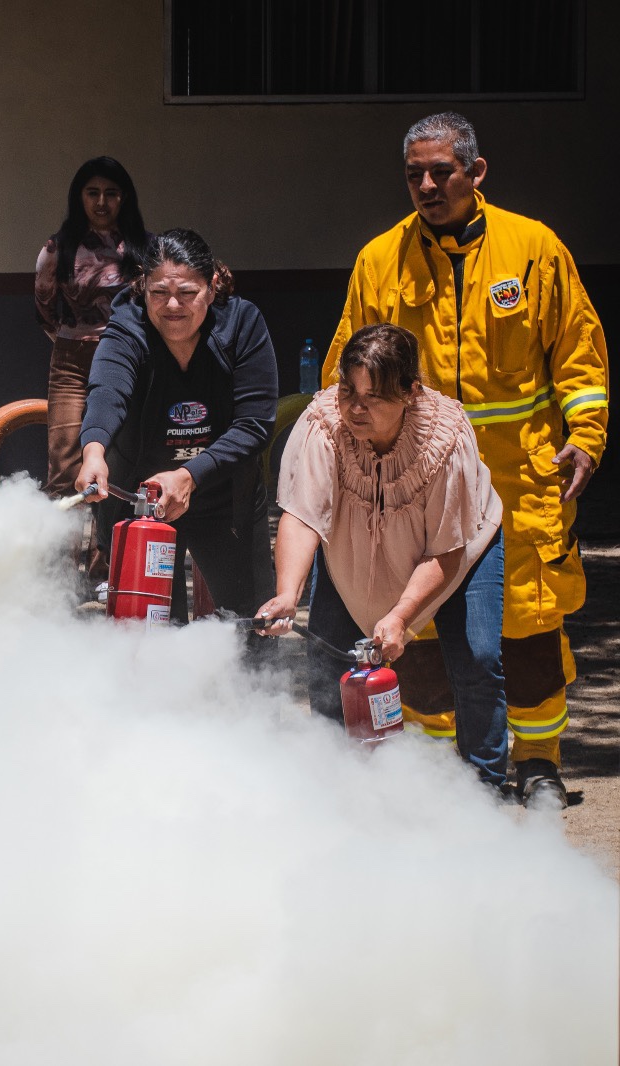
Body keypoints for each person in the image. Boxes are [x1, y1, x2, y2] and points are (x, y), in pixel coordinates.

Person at [323, 112, 608, 808]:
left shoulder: (532, 248)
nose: (426, 185)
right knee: (415, 632)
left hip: (520, 479)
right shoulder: (379, 260)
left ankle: (537, 765)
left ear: (475, 173)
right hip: (417, 485)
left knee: (529, 630)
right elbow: (344, 373)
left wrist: (588, 431)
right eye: (414, 174)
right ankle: (439, 772)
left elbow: (579, 354)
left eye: (440, 172)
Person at [258, 324, 508, 787]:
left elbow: (445, 553)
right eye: (348, 389)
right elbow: (302, 516)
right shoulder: (322, 425)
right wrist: (287, 594)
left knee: (477, 659)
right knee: (327, 660)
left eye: (372, 397)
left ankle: (485, 792)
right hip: (353, 546)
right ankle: (337, 788)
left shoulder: (446, 439)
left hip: (456, 551)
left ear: (411, 392)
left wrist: (401, 617)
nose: (354, 408)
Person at [76, 229, 277, 622]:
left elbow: (254, 424)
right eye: (158, 293)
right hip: (139, 496)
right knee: (147, 632)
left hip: (223, 490)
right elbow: (107, 390)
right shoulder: (127, 325)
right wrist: (94, 450)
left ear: (212, 284)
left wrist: (189, 475)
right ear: (143, 285)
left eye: (187, 292)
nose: (172, 306)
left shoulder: (242, 324)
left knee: (249, 628)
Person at [35, 156, 148, 500]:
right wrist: (75, 337)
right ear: (78, 197)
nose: (102, 202)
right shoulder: (57, 248)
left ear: (124, 197)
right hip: (72, 360)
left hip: (128, 361)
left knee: (119, 462)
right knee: (63, 462)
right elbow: (44, 310)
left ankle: (108, 556)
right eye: (92, 192)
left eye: (111, 193)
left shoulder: (147, 248)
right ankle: (61, 556)